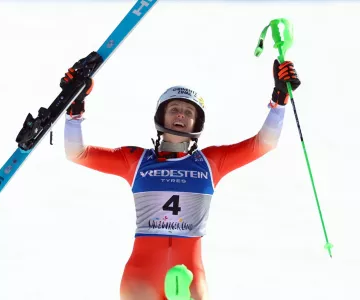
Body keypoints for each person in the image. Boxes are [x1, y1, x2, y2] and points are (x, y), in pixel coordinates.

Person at [62, 53, 301, 300]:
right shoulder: (136, 161)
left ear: (196, 122)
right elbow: (76, 153)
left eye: (188, 112)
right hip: (142, 279)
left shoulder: (211, 163)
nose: (180, 115)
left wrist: (280, 99)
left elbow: (265, 143)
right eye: (174, 109)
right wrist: (75, 107)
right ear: (161, 117)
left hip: (190, 278)